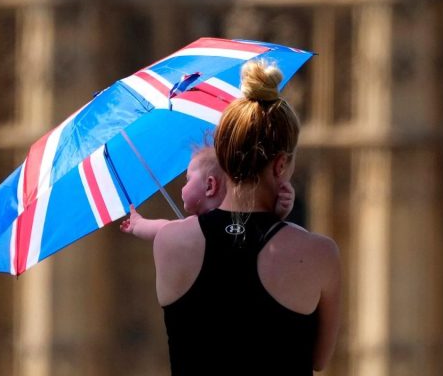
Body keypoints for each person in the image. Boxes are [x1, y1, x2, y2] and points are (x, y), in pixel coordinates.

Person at [152, 60, 341, 375]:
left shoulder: (169, 241)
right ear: (281, 165)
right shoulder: (320, 253)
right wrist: (278, 224)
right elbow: (318, 360)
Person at [120, 145, 296, 241]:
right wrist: (278, 212)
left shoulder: (196, 226)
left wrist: (138, 225)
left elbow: (162, 229)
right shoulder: (242, 219)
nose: (183, 187)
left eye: (188, 179)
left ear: (210, 186)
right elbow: (264, 230)